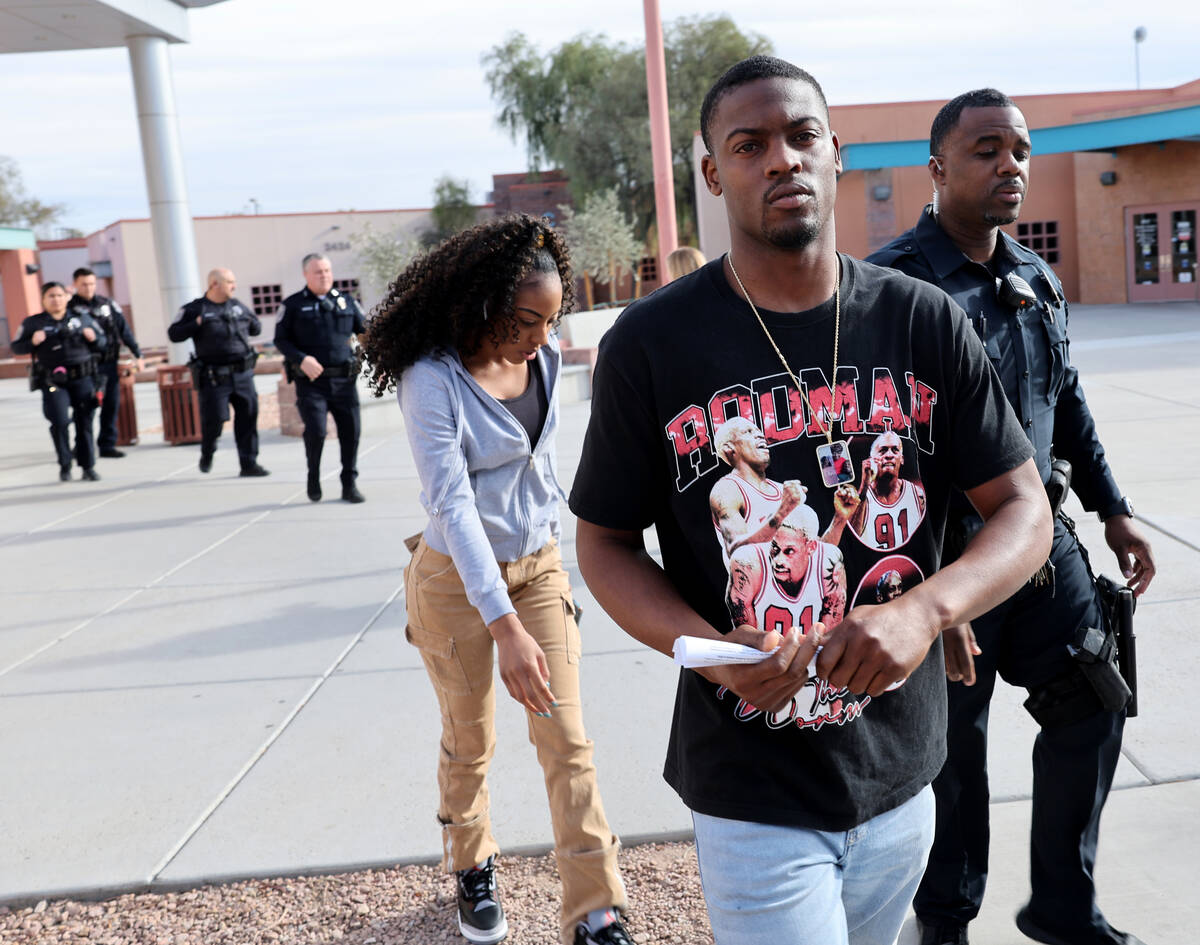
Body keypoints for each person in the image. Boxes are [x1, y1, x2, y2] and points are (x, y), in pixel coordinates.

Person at [568, 56, 1053, 945]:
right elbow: (603, 541)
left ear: (837, 154)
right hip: (751, 778)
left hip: (905, 767)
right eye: (749, 146)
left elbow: (1024, 505)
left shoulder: (919, 318)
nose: (781, 160)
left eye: (800, 137)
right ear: (714, 175)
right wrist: (703, 650)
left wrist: (928, 608)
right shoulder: (650, 344)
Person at [869, 88, 1157, 945]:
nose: (1011, 166)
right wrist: (928, 599)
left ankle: (1063, 906)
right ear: (937, 168)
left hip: (1040, 544)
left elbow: (1064, 398)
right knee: (951, 758)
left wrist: (1114, 508)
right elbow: (880, 455)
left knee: (1094, 701)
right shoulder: (892, 290)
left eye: (1021, 151)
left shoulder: (1034, 277)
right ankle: (946, 924)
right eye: (988, 150)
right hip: (945, 562)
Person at [360, 214, 632, 945]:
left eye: (551, 319)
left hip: (537, 568)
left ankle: (595, 910)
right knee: (470, 735)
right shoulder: (431, 380)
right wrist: (503, 625)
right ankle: (471, 864)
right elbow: (452, 504)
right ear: (481, 303)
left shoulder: (540, 361)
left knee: (565, 735)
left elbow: (537, 467)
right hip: (455, 581)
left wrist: (548, 558)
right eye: (525, 320)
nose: (541, 338)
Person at [274, 253, 366, 503]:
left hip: (344, 381)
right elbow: (280, 339)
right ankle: (313, 475)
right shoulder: (293, 305)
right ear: (306, 275)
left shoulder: (346, 301)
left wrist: (378, 362)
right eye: (318, 272)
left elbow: (366, 331)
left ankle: (349, 483)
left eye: (327, 270)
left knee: (352, 431)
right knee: (316, 431)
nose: (324, 275)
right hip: (311, 383)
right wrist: (301, 358)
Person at [167, 268, 269, 477]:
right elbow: (174, 334)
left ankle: (249, 463)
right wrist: (195, 324)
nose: (234, 286)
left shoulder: (238, 306)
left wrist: (250, 323)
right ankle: (208, 451)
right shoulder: (196, 309)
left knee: (248, 417)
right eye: (230, 282)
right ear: (214, 284)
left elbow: (256, 329)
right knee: (214, 420)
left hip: (242, 374)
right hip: (214, 377)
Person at [11, 282, 107, 481]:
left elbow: (103, 342)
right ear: (44, 300)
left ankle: (88, 466)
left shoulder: (81, 318)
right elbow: (17, 347)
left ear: (66, 297)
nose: (56, 299)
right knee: (60, 422)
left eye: (59, 295)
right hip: (53, 381)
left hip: (82, 377)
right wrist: (32, 342)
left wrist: (94, 339)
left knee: (85, 422)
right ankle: (65, 465)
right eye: (51, 296)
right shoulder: (33, 323)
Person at [70, 267, 144, 458]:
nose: (88, 287)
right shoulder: (70, 308)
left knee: (111, 405)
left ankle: (107, 444)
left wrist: (138, 354)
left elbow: (123, 329)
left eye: (92, 283)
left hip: (109, 363)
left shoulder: (107, 304)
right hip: (85, 366)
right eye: (84, 284)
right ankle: (82, 446)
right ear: (75, 285)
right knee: (86, 408)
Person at [848, 429, 927, 550]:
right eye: (883, 450)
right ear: (871, 459)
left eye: (895, 450)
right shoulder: (859, 498)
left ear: (902, 459)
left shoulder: (917, 494)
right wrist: (864, 487)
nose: (889, 455)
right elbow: (852, 539)